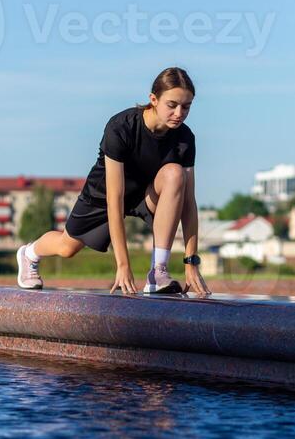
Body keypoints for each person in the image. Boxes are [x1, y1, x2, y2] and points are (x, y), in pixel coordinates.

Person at [16, 66, 211, 297]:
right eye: (172, 105)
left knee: (175, 174)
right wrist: (123, 265)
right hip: (104, 195)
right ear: (153, 99)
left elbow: (188, 203)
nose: (179, 113)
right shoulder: (121, 127)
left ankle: (157, 272)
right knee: (67, 247)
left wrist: (191, 262)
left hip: (146, 195)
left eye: (186, 107)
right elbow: (114, 199)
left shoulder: (185, 139)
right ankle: (29, 254)